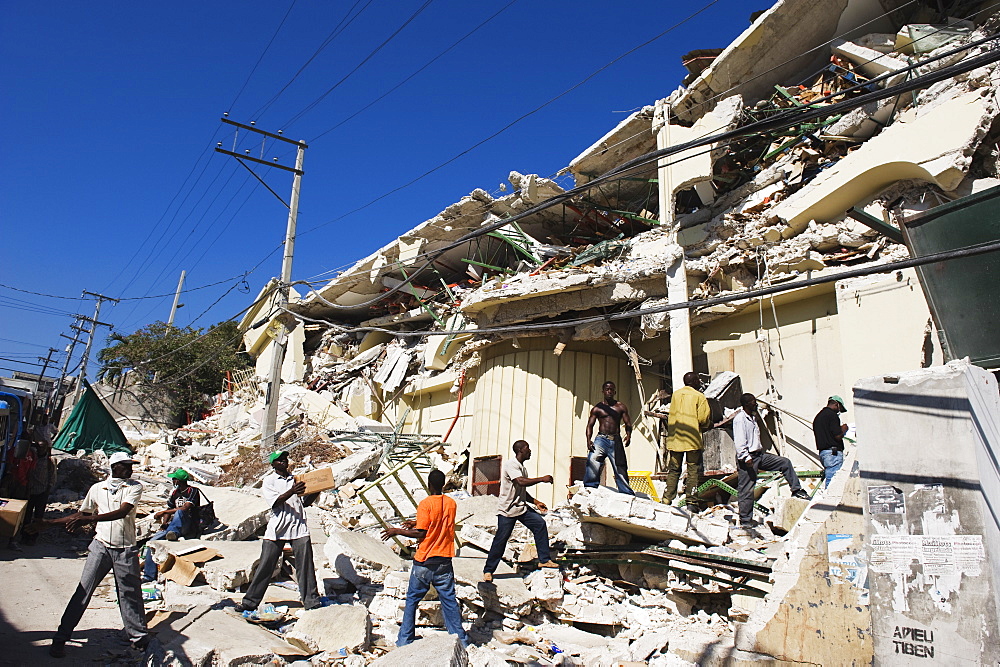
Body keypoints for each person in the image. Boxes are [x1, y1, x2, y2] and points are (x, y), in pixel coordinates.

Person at [48, 451, 149, 658]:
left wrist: (89, 520)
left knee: (129, 595)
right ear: (114, 467)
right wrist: (48, 524)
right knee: (83, 591)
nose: (130, 468)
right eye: (126, 465)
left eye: (130, 465)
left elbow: (122, 512)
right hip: (101, 546)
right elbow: (82, 514)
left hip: (125, 548)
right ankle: (60, 638)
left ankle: (139, 638)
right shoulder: (97, 489)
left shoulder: (134, 487)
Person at [382, 469, 468, 647]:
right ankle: (461, 639)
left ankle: (405, 639)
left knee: (412, 599)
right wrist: (415, 522)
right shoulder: (451, 503)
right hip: (444, 558)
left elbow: (422, 532)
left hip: (425, 560)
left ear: (429, 485)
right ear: (443, 484)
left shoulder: (425, 504)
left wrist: (397, 531)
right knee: (449, 600)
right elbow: (438, 522)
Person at [235, 451, 321, 613]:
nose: (283, 462)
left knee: (306, 566)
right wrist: (292, 491)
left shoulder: (295, 479)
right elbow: (275, 502)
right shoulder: (270, 481)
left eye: (284, 459)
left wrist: (317, 490)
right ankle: (250, 602)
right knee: (266, 566)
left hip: (299, 526)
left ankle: (311, 601)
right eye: (279, 460)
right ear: (273, 465)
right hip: (278, 528)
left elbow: (304, 502)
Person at [483, 440, 559, 582]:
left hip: (521, 507)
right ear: (520, 450)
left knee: (539, 524)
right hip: (507, 510)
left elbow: (520, 490)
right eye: (527, 448)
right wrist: (542, 479)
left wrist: (536, 502)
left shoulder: (522, 468)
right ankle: (488, 570)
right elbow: (521, 482)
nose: (530, 451)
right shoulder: (511, 465)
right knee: (501, 539)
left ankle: (544, 559)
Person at [733, 393, 811, 528]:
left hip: (759, 455)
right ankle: (745, 520)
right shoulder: (740, 419)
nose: (755, 404)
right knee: (746, 489)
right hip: (748, 458)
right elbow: (740, 441)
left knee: (784, 462)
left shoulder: (752, 417)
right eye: (752, 402)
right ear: (746, 404)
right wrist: (746, 457)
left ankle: (797, 490)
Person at [142, 468, 203, 581]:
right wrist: (164, 523)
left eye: (174, 479)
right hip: (172, 526)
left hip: (188, 525)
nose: (172, 481)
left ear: (178, 481)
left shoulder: (193, 491)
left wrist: (164, 512)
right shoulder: (175, 493)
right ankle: (148, 576)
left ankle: (173, 533)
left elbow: (185, 508)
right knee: (152, 543)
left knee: (180, 512)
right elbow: (169, 508)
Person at [663, 372, 712, 507]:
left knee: (674, 470)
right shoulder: (699, 396)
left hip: (675, 440)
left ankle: (666, 499)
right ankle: (691, 502)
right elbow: (703, 419)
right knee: (693, 471)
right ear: (695, 381)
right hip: (692, 440)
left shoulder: (676, 395)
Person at [583, 381, 635, 495]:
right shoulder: (597, 408)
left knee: (620, 465)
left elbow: (628, 423)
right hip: (601, 439)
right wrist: (588, 440)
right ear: (603, 391)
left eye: (611, 389)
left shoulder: (620, 407)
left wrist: (629, 435)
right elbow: (590, 425)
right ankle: (590, 487)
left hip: (615, 439)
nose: (609, 391)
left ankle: (626, 492)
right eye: (607, 389)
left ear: (615, 392)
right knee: (592, 460)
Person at [19, 436, 57, 546]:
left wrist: (47, 490)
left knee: (38, 517)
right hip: (30, 491)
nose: (40, 449)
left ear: (46, 448)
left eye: (43, 447)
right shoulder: (31, 458)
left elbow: (52, 477)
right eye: (39, 447)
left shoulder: (50, 461)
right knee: (27, 516)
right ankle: (24, 536)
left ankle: (33, 537)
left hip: (42, 491)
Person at [813, 395, 849, 488]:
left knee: (830, 478)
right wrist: (844, 429)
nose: (839, 412)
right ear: (836, 404)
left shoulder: (819, 417)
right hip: (833, 453)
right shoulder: (832, 415)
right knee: (834, 482)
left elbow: (829, 432)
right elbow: (837, 436)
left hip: (824, 453)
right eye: (839, 409)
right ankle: (830, 502)